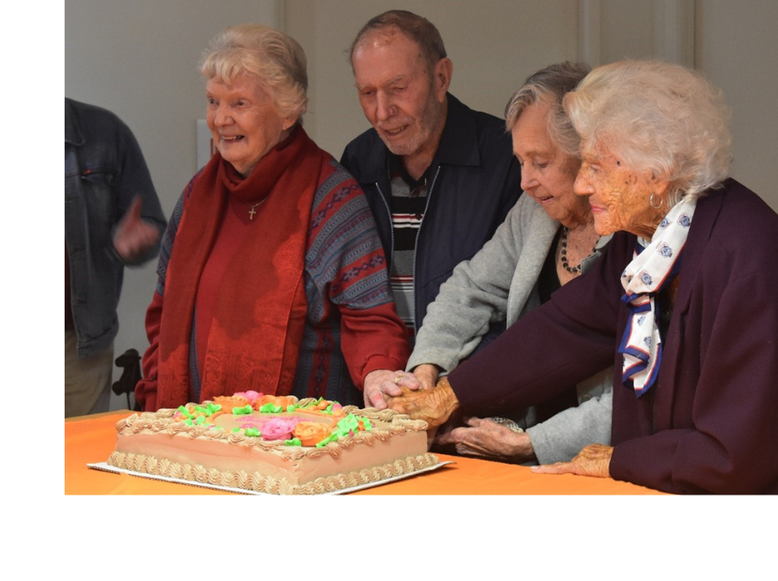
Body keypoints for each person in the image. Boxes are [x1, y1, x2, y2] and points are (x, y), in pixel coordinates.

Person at [387, 60, 778, 494]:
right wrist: (448, 396)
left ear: (657, 171)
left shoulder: (748, 257)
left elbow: (738, 449)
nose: (583, 184)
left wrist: (616, 460)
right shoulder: (649, 236)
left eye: (597, 167)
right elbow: (566, 328)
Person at [134, 24, 409, 412]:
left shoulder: (331, 199)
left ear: (287, 112)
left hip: (299, 438)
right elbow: (163, 315)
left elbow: (368, 320)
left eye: (239, 103)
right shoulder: (197, 195)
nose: (221, 119)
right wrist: (154, 401)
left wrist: (379, 373)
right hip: (190, 430)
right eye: (213, 101)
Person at [370, 62, 614, 465]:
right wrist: (427, 367)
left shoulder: (637, 232)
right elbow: (471, 288)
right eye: (520, 161)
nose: (524, 181)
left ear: (590, 154)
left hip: (604, 461)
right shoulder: (535, 211)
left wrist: (533, 443)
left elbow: (642, 395)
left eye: (540, 162)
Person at [339, 10, 522, 368]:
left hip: (470, 384)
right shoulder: (357, 161)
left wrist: (441, 380)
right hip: (381, 384)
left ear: (441, 78)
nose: (382, 112)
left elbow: (520, 304)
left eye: (397, 88)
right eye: (368, 93)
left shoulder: (507, 158)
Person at [65, 98, 166, 417]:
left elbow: (149, 222)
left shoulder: (105, 132)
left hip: (78, 346)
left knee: (76, 446)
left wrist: (134, 243)